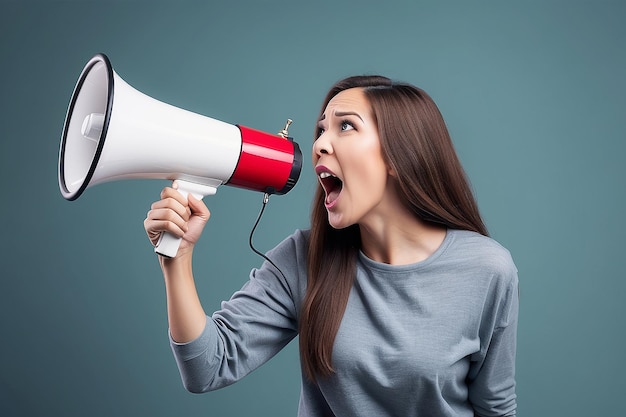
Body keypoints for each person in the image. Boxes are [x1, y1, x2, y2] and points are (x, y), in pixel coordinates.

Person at [144, 75, 519, 416]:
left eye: (345, 126)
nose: (320, 144)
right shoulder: (303, 259)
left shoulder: (487, 269)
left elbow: (495, 407)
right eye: (321, 129)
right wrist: (178, 259)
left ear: (399, 156)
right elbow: (207, 367)